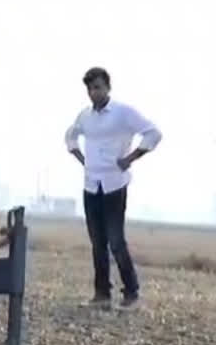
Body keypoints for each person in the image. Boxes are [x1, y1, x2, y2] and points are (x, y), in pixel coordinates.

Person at [63, 66, 162, 309]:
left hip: (114, 184)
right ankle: (101, 293)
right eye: (89, 89)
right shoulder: (85, 116)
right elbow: (70, 137)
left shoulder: (122, 113)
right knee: (97, 242)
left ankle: (131, 292)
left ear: (108, 87)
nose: (93, 93)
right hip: (91, 184)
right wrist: (81, 158)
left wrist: (130, 158)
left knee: (116, 240)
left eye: (97, 87)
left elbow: (153, 133)